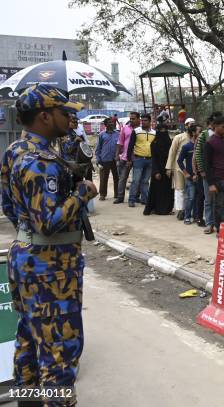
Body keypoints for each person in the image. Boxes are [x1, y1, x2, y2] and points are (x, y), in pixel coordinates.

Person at [1, 84, 98, 406]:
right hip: (52, 270)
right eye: (63, 111)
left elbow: (10, 206)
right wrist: (82, 193)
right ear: (44, 116)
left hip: (26, 260)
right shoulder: (41, 161)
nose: (70, 117)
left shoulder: (15, 151)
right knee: (60, 354)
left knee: (29, 342)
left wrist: (30, 237)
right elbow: (49, 221)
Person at [166, 117, 196, 220]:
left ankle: (190, 211)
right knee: (180, 189)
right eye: (189, 124)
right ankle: (180, 210)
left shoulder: (197, 138)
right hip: (179, 167)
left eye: (193, 124)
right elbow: (172, 152)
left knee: (191, 191)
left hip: (192, 168)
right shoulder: (178, 137)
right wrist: (169, 168)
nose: (191, 126)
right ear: (186, 126)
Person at [144, 120, 174, 215]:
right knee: (156, 190)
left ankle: (167, 209)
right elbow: (154, 159)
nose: (163, 132)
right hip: (158, 169)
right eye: (161, 130)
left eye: (165, 130)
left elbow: (172, 157)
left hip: (168, 170)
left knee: (168, 190)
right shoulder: (154, 143)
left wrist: (170, 168)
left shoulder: (170, 143)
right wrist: (156, 172)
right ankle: (155, 208)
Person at [127, 113, 156, 207]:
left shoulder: (154, 133)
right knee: (135, 180)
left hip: (150, 160)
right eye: (142, 120)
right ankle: (131, 200)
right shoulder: (136, 131)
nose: (143, 122)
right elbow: (130, 146)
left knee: (145, 181)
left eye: (145, 120)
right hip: (138, 159)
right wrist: (129, 159)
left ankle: (145, 199)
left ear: (150, 121)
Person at [114, 111, 140, 204]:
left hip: (138, 157)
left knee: (137, 178)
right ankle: (120, 197)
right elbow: (120, 142)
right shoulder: (125, 128)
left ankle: (136, 197)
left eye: (133, 118)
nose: (131, 120)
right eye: (131, 118)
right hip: (125, 157)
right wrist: (117, 155)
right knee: (122, 178)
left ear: (138, 119)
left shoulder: (141, 130)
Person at [96, 117, 120, 201]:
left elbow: (120, 146)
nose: (112, 123)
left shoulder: (118, 134)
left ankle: (117, 194)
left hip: (115, 159)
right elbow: (98, 148)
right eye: (109, 122)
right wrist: (98, 159)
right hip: (104, 159)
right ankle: (102, 194)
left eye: (112, 122)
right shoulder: (102, 134)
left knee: (116, 177)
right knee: (103, 178)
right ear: (106, 125)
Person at [177, 127, 197, 224]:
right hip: (190, 178)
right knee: (191, 197)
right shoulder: (187, 147)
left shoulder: (203, 146)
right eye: (199, 131)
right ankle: (187, 216)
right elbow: (179, 161)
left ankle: (197, 216)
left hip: (200, 177)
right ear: (193, 133)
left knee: (200, 197)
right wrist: (186, 173)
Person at [192, 124, 206, 226]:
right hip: (200, 173)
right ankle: (199, 217)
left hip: (205, 172)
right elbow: (194, 159)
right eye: (199, 131)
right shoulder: (198, 142)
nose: (201, 133)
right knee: (200, 195)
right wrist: (195, 172)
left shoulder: (205, 140)